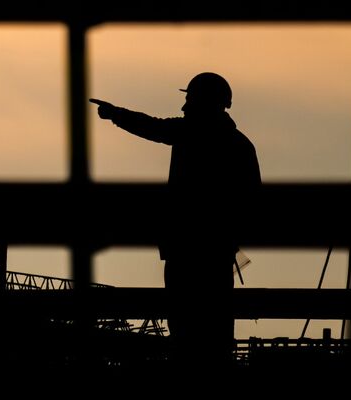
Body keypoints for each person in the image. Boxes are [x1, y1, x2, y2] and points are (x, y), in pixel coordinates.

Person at [90, 72, 261, 369]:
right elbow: (253, 200)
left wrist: (115, 115)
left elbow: (152, 127)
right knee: (215, 327)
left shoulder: (191, 133)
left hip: (187, 250)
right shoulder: (240, 145)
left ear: (202, 101)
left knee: (184, 328)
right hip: (218, 253)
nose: (184, 106)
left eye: (189, 99)